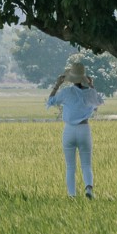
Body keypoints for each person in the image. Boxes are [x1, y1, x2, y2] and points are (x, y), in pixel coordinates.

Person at [47, 61, 105, 198]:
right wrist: (92, 85)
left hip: (69, 131)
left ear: (71, 78)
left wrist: (57, 85)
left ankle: (72, 195)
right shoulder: (90, 93)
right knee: (86, 164)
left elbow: (50, 101)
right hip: (84, 129)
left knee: (70, 167)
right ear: (83, 78)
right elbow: (99, 102)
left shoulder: (66, 92)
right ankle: (89, 189)